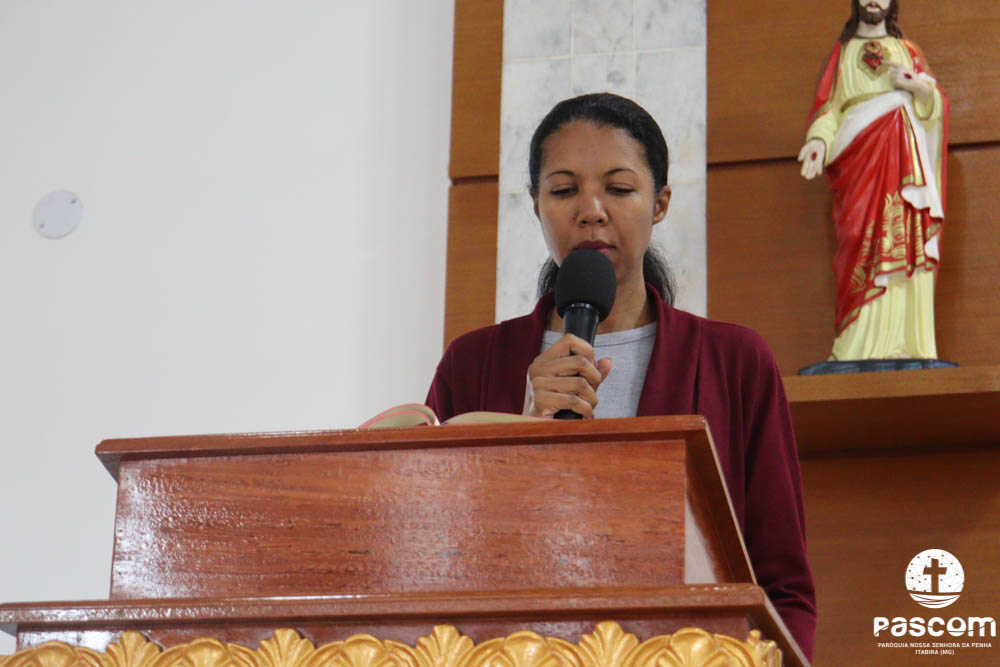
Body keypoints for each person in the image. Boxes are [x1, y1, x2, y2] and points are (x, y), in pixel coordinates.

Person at [426, 93, 817, 658]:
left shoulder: (737, 362)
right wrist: (521, 433)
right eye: (564, 191)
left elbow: (784, 587)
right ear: (536, 205)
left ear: (660, 203)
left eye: (619, 188)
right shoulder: (471, 364)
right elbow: (433, 561)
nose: (591, 210)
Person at [798, 0, 948, 361]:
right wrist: (818, 141)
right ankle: (855, 345)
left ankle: (909, 342)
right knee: (858, 238)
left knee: (904, 242)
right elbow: (828, 110)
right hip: (859, 164)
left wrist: (918, 88)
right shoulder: (842, 54)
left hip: (904, 165)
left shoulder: (908, 50)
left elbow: (936, 107)